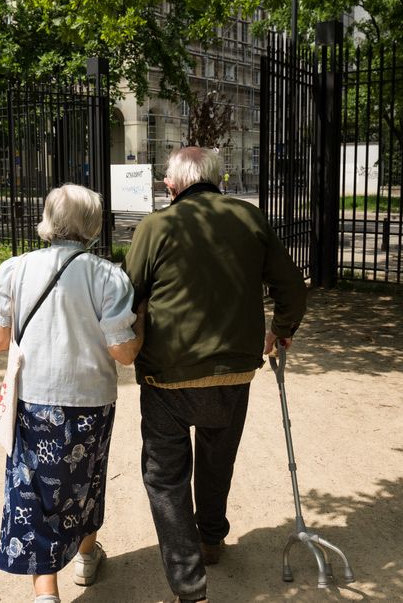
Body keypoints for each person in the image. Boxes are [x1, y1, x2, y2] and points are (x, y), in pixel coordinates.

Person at [124, 146, 307, 603]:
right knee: (216, 457)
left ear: (175, 184)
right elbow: (291, 288)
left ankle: (188, 585)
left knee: (165, 476)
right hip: (233, 370)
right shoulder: (250, 218)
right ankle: (211, 538)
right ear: (216, 178)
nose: (165, 184)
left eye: (167, 178)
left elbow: (127, 295)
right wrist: (280, 331)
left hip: (167, 373)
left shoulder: (155, 226)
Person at [0, 184, 145, 603]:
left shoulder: (14, 269)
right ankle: (86, 558)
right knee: (86, 479)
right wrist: (141, 325)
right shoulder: (107, 275)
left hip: (34, 396)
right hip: (91, 398)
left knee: (31, 491)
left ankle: (46, 594)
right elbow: (124, 353)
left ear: (48, 220)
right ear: (92, 225)